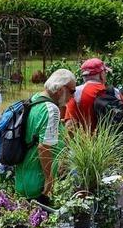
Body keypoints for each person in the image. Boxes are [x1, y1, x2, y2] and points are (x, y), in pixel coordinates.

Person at [15, 69, 77, 202]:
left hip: (23, 178)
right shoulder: (51, 109)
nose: (72, 96)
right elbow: (44, 148)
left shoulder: (35, 99)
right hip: (38, 183)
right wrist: (49, 179)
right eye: (72, 91)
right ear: (61, 89)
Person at [65, 57, 123, 130]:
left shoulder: (75, 93)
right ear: (101, 74)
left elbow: (70, 126)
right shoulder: (115, 92)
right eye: (105, 72)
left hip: (85, 140)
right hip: (111, 140)